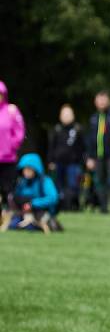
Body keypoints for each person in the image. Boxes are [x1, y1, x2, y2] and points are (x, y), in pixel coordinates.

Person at [85, 91, 110, 214]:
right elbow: (90, 139)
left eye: (104, 100)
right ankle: (103, 207)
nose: (102, 102)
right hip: (97, 156)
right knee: (99, 181)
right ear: (95, 102)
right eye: (99, 100)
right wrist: (89, 157)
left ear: (108, 101)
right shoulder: (93, 118)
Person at [6, 153, 60, 232]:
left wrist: (33, 204)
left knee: (30, 227)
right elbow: (16, 196)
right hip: (23, 212)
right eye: (25, 169)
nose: (26, 172)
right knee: (13, 225)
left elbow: (53, 198)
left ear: (35, 169)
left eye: (29, 169)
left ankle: (48, 223)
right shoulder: (21, 182)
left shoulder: (45, 181)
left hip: (40, 211)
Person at [48, 104, 86, 210]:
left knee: (73, 185)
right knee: (58, 185)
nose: (66, 116)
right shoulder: (57, 129)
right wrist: (51, 161)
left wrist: (82, 160)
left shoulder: (78, 129)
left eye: (68, 114)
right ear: (60, 116)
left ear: (73, 115)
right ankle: (59, 205)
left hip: (73, 163)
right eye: (64, 114)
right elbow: (52, 147)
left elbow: (82, 147)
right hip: (58, 163)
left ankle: (73, 205)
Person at [0, 80, 25, 217]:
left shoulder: (11, 110)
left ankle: (9, 214)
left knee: (8, 188)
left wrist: (12, 146)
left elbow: (19, 131)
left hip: (8, 158)